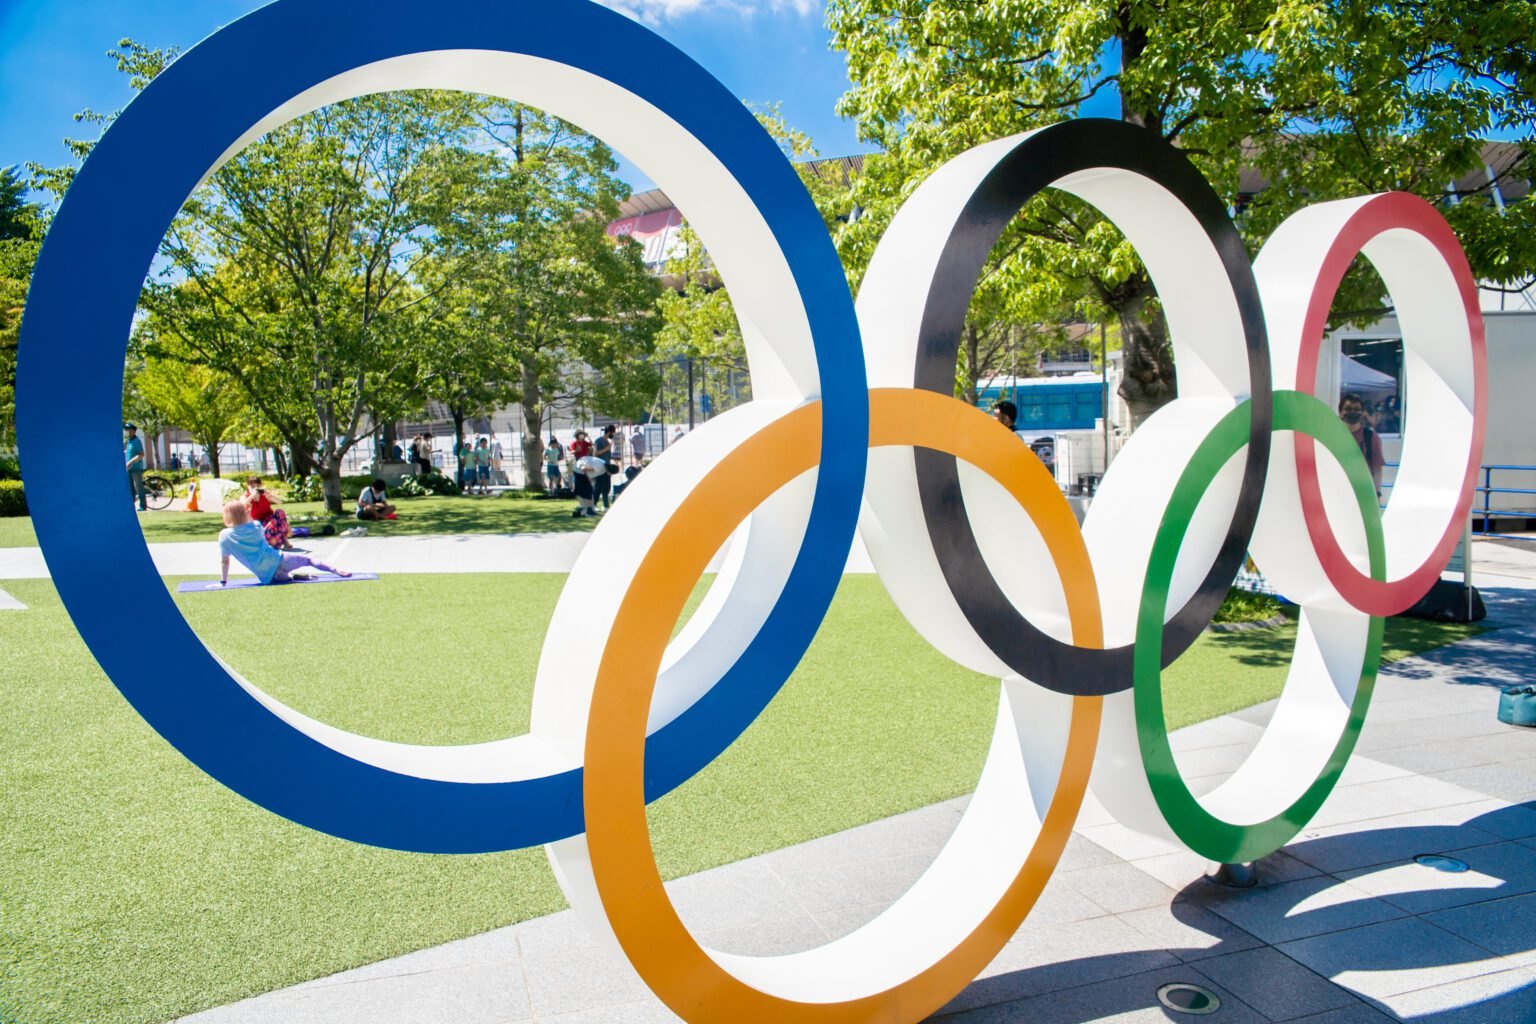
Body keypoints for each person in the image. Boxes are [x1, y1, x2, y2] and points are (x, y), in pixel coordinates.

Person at [219, 501, 349, 585]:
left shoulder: (224, 536)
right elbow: (251, 523)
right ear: (245, 513)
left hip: (268, 577)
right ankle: (336, 570)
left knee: (285, 578)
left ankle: (292, 576)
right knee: (308, 560)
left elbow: (225, 561)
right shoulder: (256, 526)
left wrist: (223, 581)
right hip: (278, 559)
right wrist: (247, 512)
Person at [1339, 391, 1385, 497]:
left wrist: (1377, 494)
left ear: (1363, 413)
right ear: (1340, 413)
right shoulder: (1332, 436)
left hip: (1364, 494)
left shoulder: (1371, 437)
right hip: (1338, 492)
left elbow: (1377, 468)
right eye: (1348, 409)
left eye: (1356, 409)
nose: (1352, 412)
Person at [244, 476, 293, 550]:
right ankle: (279, 541)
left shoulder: (264, 496)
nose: (255, 489)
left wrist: (269, 495)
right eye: (253, 486)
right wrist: (252, 495)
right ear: (248, 487)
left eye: (257, 486)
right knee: (272, 525)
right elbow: (243, 504)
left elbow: (280, 502)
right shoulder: (246, 497)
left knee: (279, 512)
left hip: (270, 519)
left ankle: (283, 539)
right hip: (259, 523)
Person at [592, 425, 617, 510]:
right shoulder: (599, 441)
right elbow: (596, 453)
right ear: (609, 432)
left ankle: (603, 505)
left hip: (607, 467)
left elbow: (606, 455)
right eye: (613, 433)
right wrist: (606, 449)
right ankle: (598, 505)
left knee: (605, 487)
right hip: (600, 467)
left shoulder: (607, 442)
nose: (613, 434)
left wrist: (614, 457)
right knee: (600, 487)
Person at [125, 423, 148, 512]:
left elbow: (141, 454)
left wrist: (130, 462)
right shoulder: (129, 441)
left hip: (136, 468)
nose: (127, 432)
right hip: (129, 469)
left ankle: (143, 506)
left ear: (134, 431)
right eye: (126, 430)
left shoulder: (136, 441)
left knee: (138, 487)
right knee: (130, 488)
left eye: (129, 430)